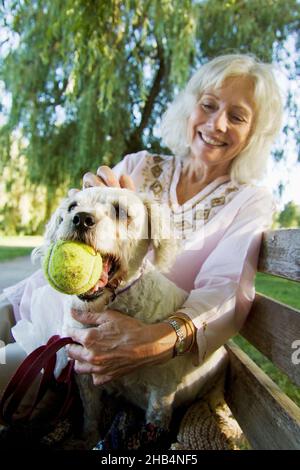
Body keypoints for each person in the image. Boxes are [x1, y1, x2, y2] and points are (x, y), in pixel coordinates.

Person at [0, 53, 283, 445]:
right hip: (51, 309)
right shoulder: (137, 165)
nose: (216, 124)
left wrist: (156, 340)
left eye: (237, 116)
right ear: (190, 107)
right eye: (208, 105)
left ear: (254, 133)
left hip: (129, 358)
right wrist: (88, 202)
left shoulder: (249, 201)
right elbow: (81, 229)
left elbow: (224, 289)